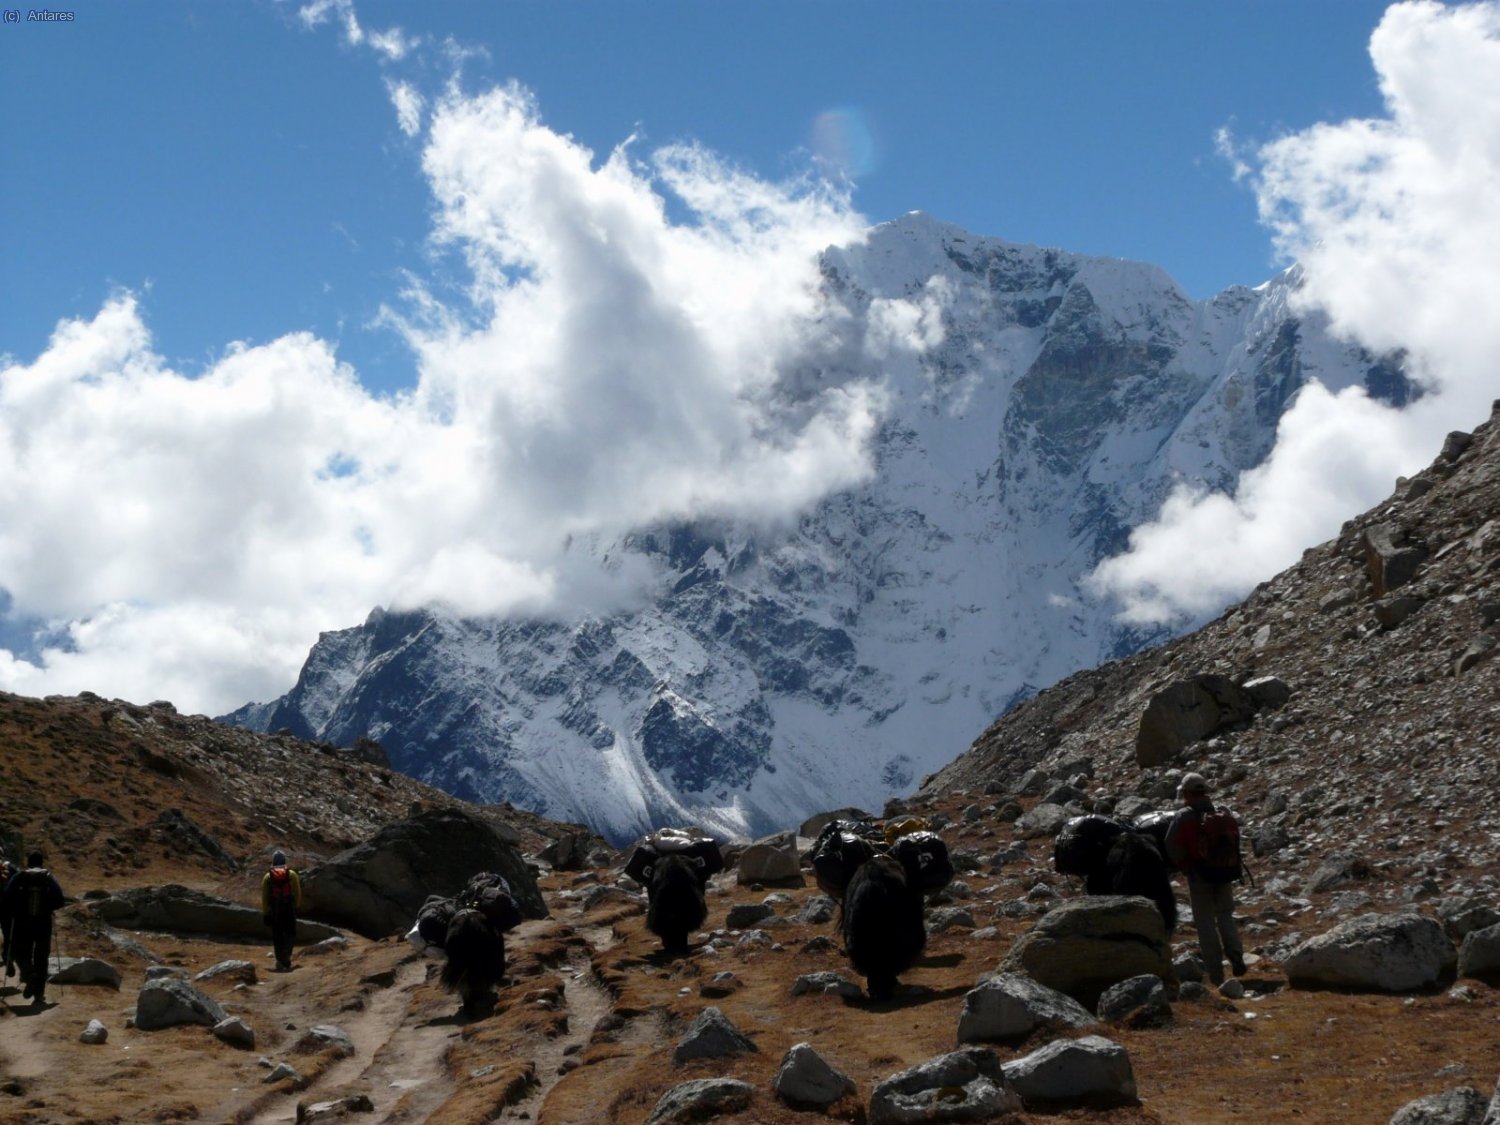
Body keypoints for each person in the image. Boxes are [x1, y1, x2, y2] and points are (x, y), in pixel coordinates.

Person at [1164, 772, 1246, 985]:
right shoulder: (1220, 812)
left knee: (1205, 923)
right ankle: (1236, 955)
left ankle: (1216, 974)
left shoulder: (1184, 816)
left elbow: (1171, 845)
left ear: (1186, 793)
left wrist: (1184, 866)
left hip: (1199, 875)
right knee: (1226, 915)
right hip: (1225, 872)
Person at [2, 850, 65, 1005]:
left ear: (28, 862)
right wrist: (48, 907)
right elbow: (59, 900)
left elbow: (7, 897)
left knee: (21, 953)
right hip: (43, 923)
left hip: (22, 923)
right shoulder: (48, 877)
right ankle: (38, 995)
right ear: (41, 862)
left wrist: (15, 911)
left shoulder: (19, 876)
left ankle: (29, 975)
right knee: (41, 958)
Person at [260, 849, 303, 972]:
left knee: (277, 934)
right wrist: (297, 905)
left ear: (273, 862)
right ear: (285, 860)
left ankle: (280, 960)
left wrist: (265, 912)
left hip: (275, 908)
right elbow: (298, 891)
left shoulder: (268, 876)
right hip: (288, 906)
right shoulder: (292, 874)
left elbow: (264, 896)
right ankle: (287, 955)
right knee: (290, 932)